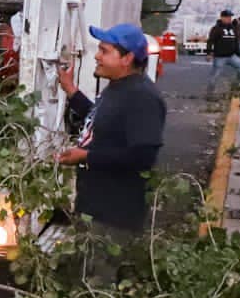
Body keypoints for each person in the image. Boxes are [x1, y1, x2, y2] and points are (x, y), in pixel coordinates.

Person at [56, 24, 167, 282]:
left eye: (104, 51)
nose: (97, 56)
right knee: (83, 279)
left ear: (127, 59)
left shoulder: (142, 98)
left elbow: (142, 157)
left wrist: (86, 157)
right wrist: (71, 90)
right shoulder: (118, 89)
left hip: (113, 217)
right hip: (94, 208)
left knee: (99, 288)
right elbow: (98, 121)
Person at [205, 9, 240, 97]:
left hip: (231, 56)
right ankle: (210, 93)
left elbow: (235, 41)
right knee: (215, 75)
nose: (229, 19)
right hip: (220, 57)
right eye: (227, 17)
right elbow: (210, 41)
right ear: (222, 17)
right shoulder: (216, 29)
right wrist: (208, 53)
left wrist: (238, 53)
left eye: (230, 17)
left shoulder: (233, 28)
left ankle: (236, 86)